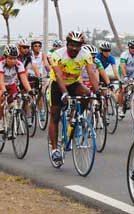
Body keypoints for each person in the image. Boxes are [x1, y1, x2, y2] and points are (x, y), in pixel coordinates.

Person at [48, 31, 99, 164]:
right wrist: (64, 93)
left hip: (73, 83)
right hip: (57, 85)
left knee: (87, 94)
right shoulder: (57, 54)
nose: (75, 48)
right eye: (72, 45)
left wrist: (98, 92)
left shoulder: (85, 55)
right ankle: (54, 150)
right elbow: (58, 75)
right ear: (67, 44)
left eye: (78, 45)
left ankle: (76, 118)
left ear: (82, 46)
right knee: (55, 115)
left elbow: (91, 73)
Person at [0, 45, 31, 131]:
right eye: (10, 58)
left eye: (15, 58)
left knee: (15, 101)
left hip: (11, 84)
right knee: (2, 97)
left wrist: (30, 90)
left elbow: (24, 79)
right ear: (5, 57)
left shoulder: (19, 64)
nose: (13, 61)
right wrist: (4, 91)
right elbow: (1, 81)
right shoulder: (1, 64)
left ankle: (9, 114)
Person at [117, 40, 134, 118]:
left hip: (132, 72)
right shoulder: (124, 55)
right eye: (132, 48)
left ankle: (131, 98)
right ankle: (120, 108)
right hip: (123, 71)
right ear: (129, 48)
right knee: (122, 88)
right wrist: (125, 76)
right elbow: (122, 66)